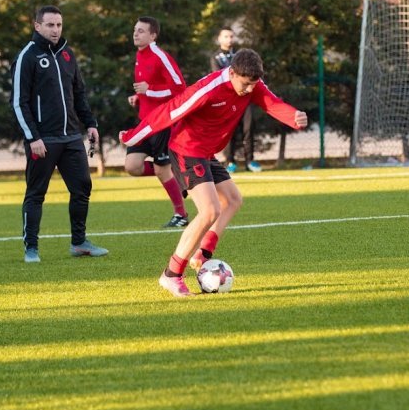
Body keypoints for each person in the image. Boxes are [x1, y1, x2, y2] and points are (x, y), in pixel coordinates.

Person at [120, 49, 308, 297]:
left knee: (233, 200)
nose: (250, 90)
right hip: (186, 149)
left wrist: (293, 117)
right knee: (210, 210)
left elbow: (270, 102)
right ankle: (171, 274)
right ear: (231, 73)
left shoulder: (252, 83)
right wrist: (133, 137)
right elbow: (170, 111)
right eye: (245, 84)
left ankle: (203, 252)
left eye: (253, 84)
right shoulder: (209, 88)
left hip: (206, 152)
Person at [11, 5, 108, 263]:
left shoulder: (67, 55)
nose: (55, 30)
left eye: (59, 25)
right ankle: (31, 248)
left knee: (82, 187)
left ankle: (79, 243)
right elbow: (19, 102)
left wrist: (90, 123)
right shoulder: (27, 57)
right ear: (38, 26)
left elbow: (79, 93)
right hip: (43, 140)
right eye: (50, 25)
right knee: (36, 193)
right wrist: (33, 137)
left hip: (71, 137)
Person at [125, 17, 190, 228]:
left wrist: (149, 91)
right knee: (132, 166)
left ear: (153, 35)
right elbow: (150, 88)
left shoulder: (160, 56)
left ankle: (181, 215)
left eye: (141, 31)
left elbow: (180, 88)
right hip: (145, 123)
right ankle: (172, 173)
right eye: (135, 30)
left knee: (162, 171)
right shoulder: (139, 54)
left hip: (162, 123)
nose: (136, 34)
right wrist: (139, 98)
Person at [211, 27, 261, 173]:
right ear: (219, 39)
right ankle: (230, 161)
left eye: (231, 36)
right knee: (229, 130)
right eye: (226, 36)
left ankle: (250, 161)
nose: (229, 39)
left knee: (248, 128)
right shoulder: (215, 57)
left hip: (245, 99)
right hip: (228, 101)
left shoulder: (240, 55)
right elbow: (220, 76)